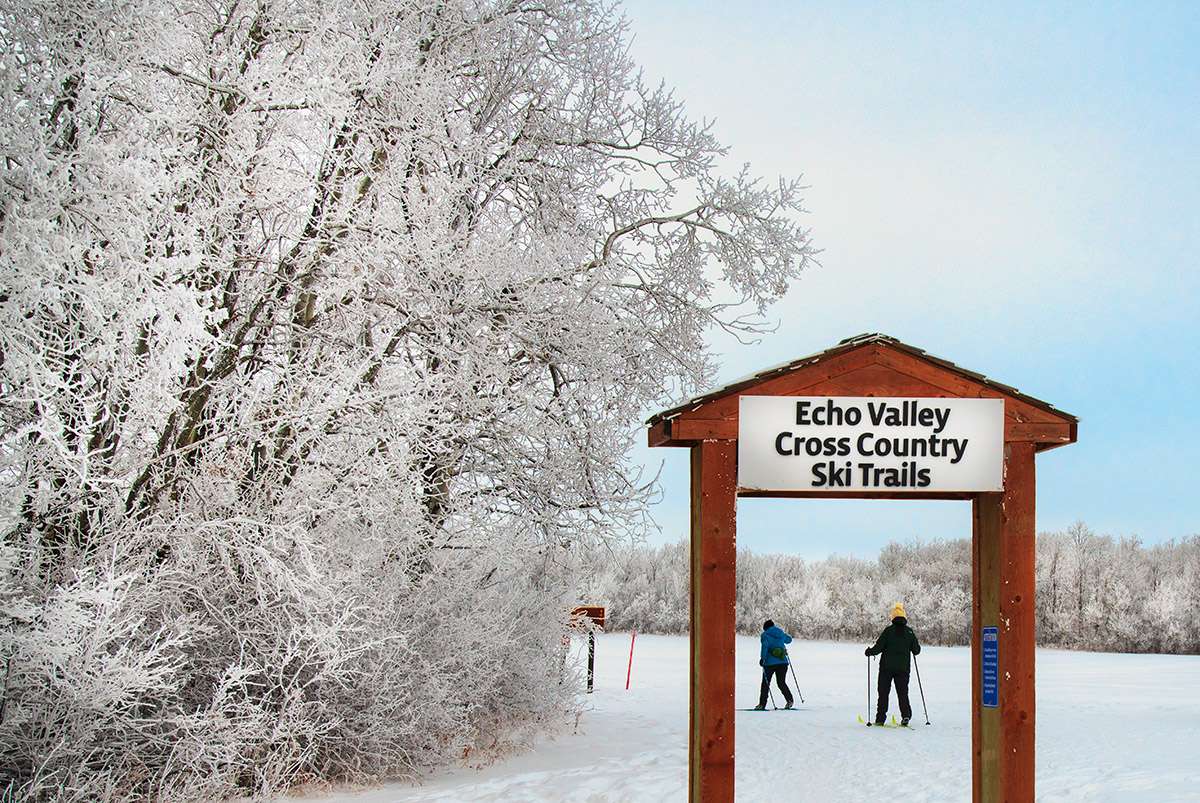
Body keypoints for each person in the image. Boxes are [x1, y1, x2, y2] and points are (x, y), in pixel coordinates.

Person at [865, 602, 921, 725]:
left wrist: (869, 652)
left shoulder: (888, 631)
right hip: (903, 669)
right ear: (904, 617)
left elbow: (878, 648)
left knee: (883, 693)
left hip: (886, 669)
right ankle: (906, 715)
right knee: (903, 693)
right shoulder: (909, 632)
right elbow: (916, 651)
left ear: (893, 617)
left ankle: (880, 719)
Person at [755, 619, 795, 710]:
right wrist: (782, 636)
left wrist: (762, 659)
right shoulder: (780, 633)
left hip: (769, 663)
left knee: (765, 684)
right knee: (781, 683)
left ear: (765, 627)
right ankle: (789, 700)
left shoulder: (765, 635)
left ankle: (762, 704)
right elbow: (789, 640)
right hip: (783, 662)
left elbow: (765, 647)